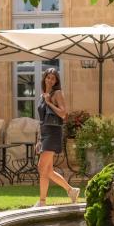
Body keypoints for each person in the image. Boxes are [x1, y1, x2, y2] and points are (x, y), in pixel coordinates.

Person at [34, 68, 80, 207]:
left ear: (56, 81)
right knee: (47, 170)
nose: (50, 80)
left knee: (42, 167)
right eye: (48, 77)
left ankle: (42, 202)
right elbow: (42, 119)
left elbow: (63, 113)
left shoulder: (57, 93)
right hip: (45, 133)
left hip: (53, 133)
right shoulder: (43, 95)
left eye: (53, 78)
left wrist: (49, 103)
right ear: (44, 79)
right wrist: (39, 140)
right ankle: (71, 190)